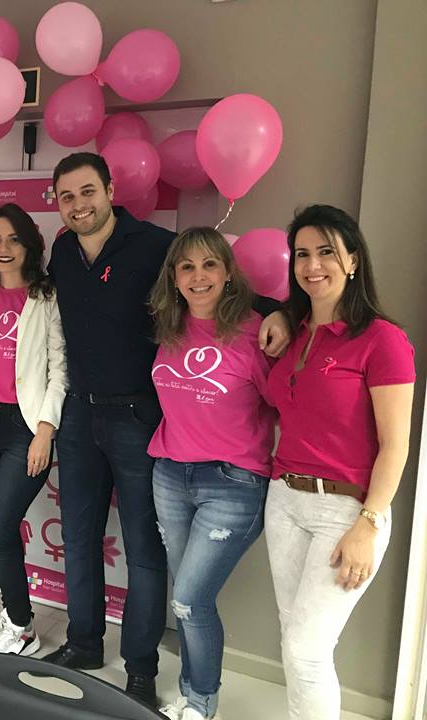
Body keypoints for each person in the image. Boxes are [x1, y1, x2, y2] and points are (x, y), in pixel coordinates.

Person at [26, 152, 291, 706]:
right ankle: (83, 642)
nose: (78, 205)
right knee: (78, 535)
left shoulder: (153, 246)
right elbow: (43, 299)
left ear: (110, 189)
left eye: (87, 192)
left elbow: (217, 286)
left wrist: (281, 313)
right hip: (79, 414)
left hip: (140, 419)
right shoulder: (63, 252)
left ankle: (140, 668)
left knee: (144, 548)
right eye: (67, 197)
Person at [263, 205, 414, 720]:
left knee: (306, 650)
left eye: (326, 251)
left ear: (353, 260)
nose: (312, 265)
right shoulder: (294, 333)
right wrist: (280, 316)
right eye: (302, 254)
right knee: (294, 640)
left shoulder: (382, 340)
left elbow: (396, 445)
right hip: (284, 500)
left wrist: (368, 524)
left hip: (346, 511)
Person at [146, 228, 275, 720]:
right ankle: (189, 693)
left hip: (232, 484)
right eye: (187, 266)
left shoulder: (257, 332)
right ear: (174, 278)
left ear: (227, 273)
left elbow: (284, 405)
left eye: (209, 265)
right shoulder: (169, 327)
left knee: (188, 599)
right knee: (187, 600)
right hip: (170, 475)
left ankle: (201, 700)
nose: (198, 276)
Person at [0, 203, 67, 656]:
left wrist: (45, 431)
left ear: (29, 245)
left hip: (24, 427)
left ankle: (23, 627)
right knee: (2, 529)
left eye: (13, 239)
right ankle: (13, 614)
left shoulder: (47, 298)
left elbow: (60, 370)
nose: (4, 248)